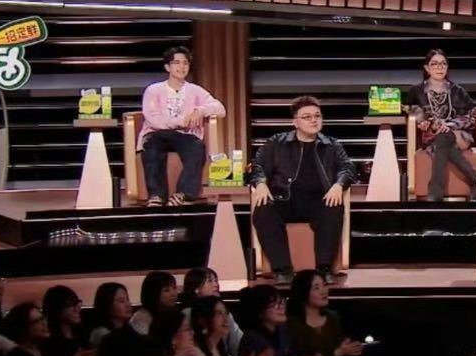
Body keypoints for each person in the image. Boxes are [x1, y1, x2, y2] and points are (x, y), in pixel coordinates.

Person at [247, 95, 357, 285]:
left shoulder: (331, 145)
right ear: (295, 122)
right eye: (307, 117)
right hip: (284, 200)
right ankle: (282, 270)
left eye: (317, 116)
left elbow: (348, 168)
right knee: (263, 210)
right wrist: (261, 183)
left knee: (333, 207)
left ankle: (323, 270)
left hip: (319, 201)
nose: (314, 120)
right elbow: (257, 166)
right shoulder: (277, 142)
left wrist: (339, 185)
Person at [136, 44, 226, 207]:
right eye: (177, 63)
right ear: (167, 67)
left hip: (185, 135)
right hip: (157, 133)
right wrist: (181, 121)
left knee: (196, 147)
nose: (182, 67)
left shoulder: (196, 90)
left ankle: (183, 195)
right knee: (152, 147)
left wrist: (200, 110)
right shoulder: (153, 90)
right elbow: (153, 119)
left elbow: (220, 109)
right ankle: (156, 196)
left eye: (185, 63)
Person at [404, 48, 476, 203]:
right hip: (432, 136)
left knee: (444, 136)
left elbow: (471, 117)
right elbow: (410, 111)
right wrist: (421, 122)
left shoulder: (458, 91)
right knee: (442, 139)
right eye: (434, 64)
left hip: (459, 135)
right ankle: (475, 177)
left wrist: (451, 125)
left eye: (443, 64)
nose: (439, 68)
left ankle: (435, 191)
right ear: (427, 68)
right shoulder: (416, 91)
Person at [285, 270, 363, 356]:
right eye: (316, 288)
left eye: (324, 285)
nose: (324, 291)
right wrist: (338, 353)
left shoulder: (332, 317)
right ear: (303, 292)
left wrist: (349, 348)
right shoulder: (291, 323)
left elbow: (340, 350)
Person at [180, 267, 242, 356]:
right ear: (196, 288)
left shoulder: (225, 312)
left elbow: (238, 344)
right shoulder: (187, 314)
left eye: (216, 280)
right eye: (210, 281)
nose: (216, 285)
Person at [235, 283, 289, 356]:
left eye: (281, 302)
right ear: (259, 310)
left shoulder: (284, 331)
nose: (281, 307)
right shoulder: (252, 339)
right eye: (274, 304)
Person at [129, 271, 179, 336]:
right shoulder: (141, 318)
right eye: (166, 290)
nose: (173, 294)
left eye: (174, 288)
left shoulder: (174, 313)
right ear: (153, 293)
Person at [89, 282, 132, 348]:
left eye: (128, 300)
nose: (128, 304)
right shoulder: (102, 333)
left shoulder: (129, 329)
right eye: (122, 301)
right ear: (107, 304)